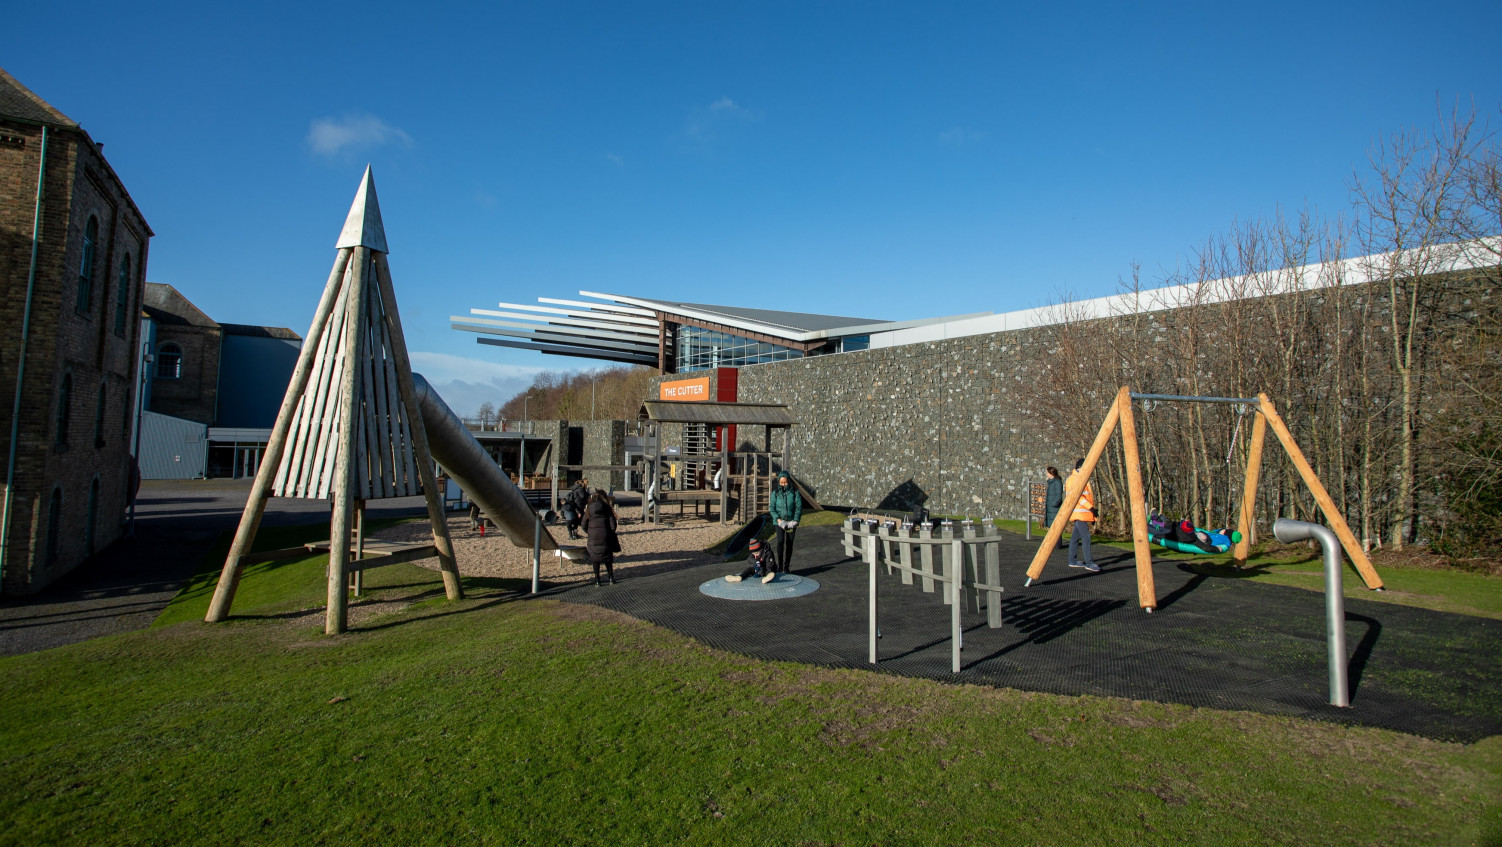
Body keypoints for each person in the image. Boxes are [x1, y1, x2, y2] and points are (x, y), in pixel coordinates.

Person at [1067, 458, 1100, 572]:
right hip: (1079, 512)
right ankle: (1089, 562)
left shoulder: (1080, 478)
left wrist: (1092, 513)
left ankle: (1072, 560)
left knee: (1075, 537)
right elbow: (1078, 497)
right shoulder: (1075, 479)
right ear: (1080, 467)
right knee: (1086, 537)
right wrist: (1091, 509)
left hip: (1081, 513)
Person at [582, 490, 620, 585]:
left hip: (593, 536)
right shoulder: (607, 508)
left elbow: (583, 524)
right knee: (607, 556)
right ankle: (611, 577)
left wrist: (589, 532)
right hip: (605, 534)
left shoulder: (589, 509)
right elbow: (613, 524)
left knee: (595, 558)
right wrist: (610, 532)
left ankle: (597, 580)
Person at [769, 470, 802, 573]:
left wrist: (795, 520)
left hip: (791, 521)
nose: (783, 484)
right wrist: (778, 520)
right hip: (779, 522)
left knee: (789, 543)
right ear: (779, 482)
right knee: (780, 542)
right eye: (781, 482)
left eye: (785, 482)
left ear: (789, 481)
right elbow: (772, 508)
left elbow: (798, 507)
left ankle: (786, 566)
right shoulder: (776, 493)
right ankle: (780, 565)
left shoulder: (795, 492)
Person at [1043, 466, 1064, 545]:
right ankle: (1052, 543)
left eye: (1047, 472)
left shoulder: (1057, 482)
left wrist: (1053, 504)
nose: (1046, 474)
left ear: (1051, 473)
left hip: (1054, 508)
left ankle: (1057, 544)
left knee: (1056, 527)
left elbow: (1058, 495)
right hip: (1051, 508)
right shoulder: (1051, 482)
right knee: (1052, 527)